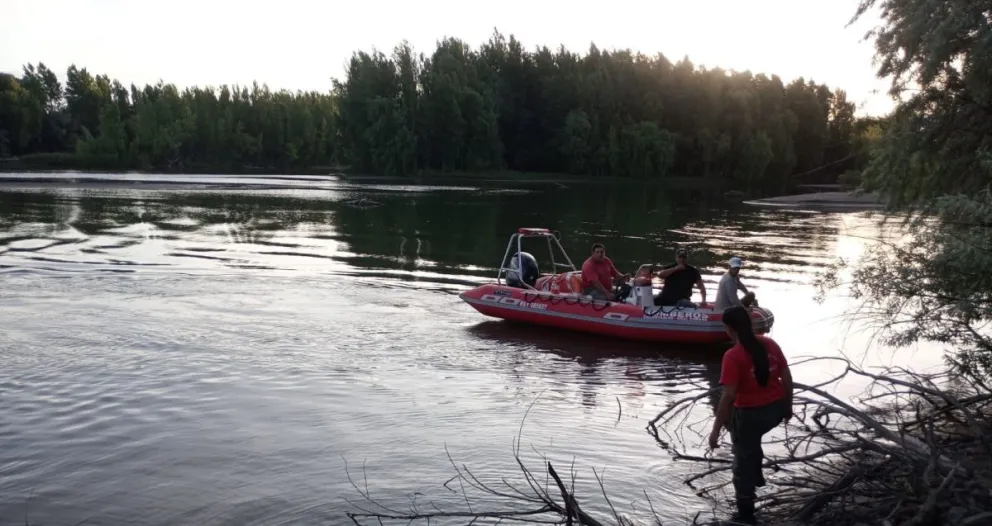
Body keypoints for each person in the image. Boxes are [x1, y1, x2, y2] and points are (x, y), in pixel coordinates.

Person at [708, 305, 793, 525]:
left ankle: (745, 512)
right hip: (775, 410)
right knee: (749, 439)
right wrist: (788, 407)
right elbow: (786, 375)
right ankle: (756, 471)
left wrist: (715, 430)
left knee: (741, 460)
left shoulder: (733, 356)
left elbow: (728, 397)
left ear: (729, 329)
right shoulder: (770, 344)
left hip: (752, 415)